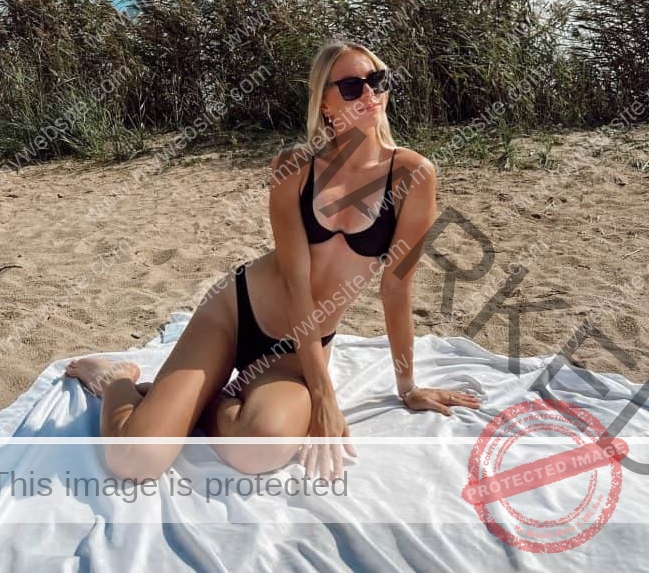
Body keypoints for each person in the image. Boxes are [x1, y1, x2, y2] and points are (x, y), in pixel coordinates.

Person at [65, 40, 481, 483]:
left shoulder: (413, 175)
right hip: (236, 314)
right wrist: (323, 397)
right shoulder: (295, 167)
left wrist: (408, 387)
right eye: (352, 86)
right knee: (135, 462)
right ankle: (116, 380)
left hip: (296, 350)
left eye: (378, 81)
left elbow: (396, 288)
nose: (369, 94)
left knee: (259, 451)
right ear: (324, 103)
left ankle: (202, 400)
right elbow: (295, 283)